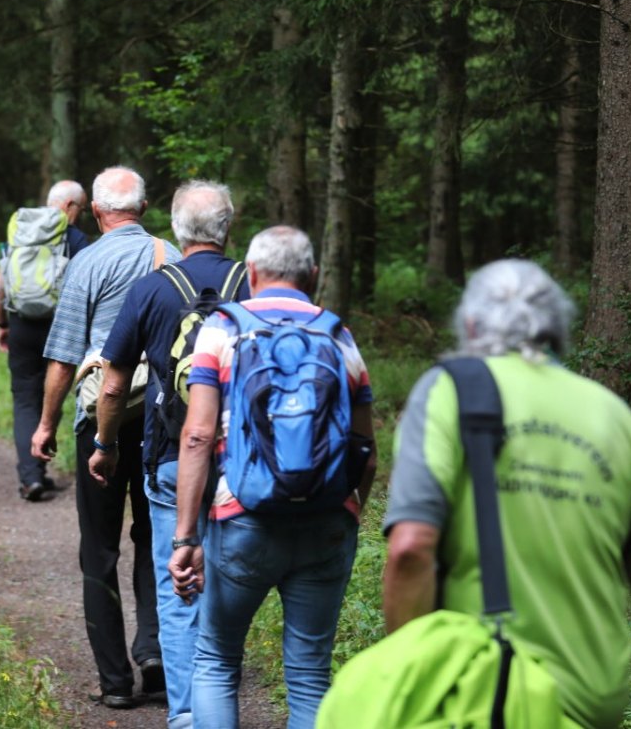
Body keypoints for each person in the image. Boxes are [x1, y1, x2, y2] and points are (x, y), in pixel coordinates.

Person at [382, 259, 631, 729]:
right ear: (557, 329)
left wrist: (405, 685)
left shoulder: (449, 392)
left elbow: (410, 548)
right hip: (594, 706)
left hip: (480, 698)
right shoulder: (618, 418)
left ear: (469, 324)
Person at [169, 225, 377, 729]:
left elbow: (197, 436)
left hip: (241, 516)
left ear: (253, 273)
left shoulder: (221, 328)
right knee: (309, 674)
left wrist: (186, 536)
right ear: (313, 275)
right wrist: (350, 515)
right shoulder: (338, 335)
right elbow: (365, 449)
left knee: (217, 661)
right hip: (326, 521)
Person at [88, 180, 250, 729]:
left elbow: (112, 386)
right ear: (229, 227)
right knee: (230, 581)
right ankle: (221, 701)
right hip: (243, 464)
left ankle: (188, 716)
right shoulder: (251, 284)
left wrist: (105, 446)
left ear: (178, 231)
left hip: (170, 456)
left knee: (177, 582)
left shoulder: (152, 289)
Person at [30, 166, 181, 709]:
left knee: (98, 547)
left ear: (96, 212)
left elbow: (65, 356)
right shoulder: (174, 257)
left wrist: (45, 424)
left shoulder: (87, 262)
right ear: (145, 207)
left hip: (102, 418)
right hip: (164, 420)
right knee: (154, 533)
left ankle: (115, 682)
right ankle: (154, 649)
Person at [0, 179, 89, 502]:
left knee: (24, 400)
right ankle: (39, 466)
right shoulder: (76, 239)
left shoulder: (19, 232)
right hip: (60, 327)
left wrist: (2, 323)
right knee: (54, 394)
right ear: (70, 206)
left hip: (21, 325)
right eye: (82, 209)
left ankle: (31, 477)